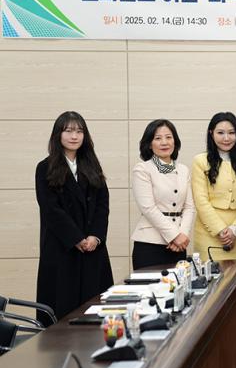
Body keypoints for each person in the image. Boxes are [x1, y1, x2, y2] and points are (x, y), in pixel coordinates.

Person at [35, 111, 113, 325]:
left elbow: (102, 205)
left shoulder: (92, 165)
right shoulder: (45, 167)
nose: (74, 136)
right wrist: (76, 238)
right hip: (62, 247)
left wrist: (95, 236)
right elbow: (50, 209)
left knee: (94, 310)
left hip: (92, 248)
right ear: (58, 135)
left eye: (79, 131)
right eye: (68, 131)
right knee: (63, 309)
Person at [131, 119, 195, 270]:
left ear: (175, 141)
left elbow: (189, 207)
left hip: (178, 245)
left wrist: (183, 235)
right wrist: (174, 235)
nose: (164, 142)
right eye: (158, 138)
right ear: (149, 144)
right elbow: (148, 208)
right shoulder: (142, 169)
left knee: (179, 285)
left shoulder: (183, 170)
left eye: (168, 137)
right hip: (150, 244)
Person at [191, 112, 236, 262]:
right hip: (209, 235)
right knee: (210, 276)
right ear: (211, 133)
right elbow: (200, 200)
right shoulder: (200, 161)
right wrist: (221, 231)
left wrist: (235, 229)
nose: (226, 138)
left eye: (231, 133)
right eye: (220, 133)